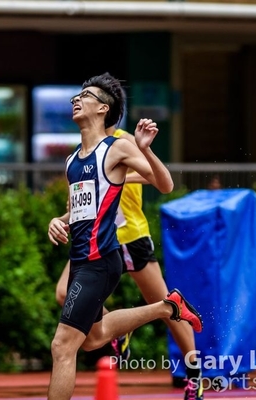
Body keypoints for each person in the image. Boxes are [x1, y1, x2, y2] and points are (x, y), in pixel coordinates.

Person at [46, 72, 203, 400]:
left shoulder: (119, 145)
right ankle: (165, 307)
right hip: (83, 255)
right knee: (93, 338)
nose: (76, 99)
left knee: (63, 346)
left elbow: (164, 184)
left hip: (116, 245)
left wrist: (137, 159)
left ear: (104, 108)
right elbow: (79, 208)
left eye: (85, 95)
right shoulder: (73, 160)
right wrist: (59, 220)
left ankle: (194, 372)